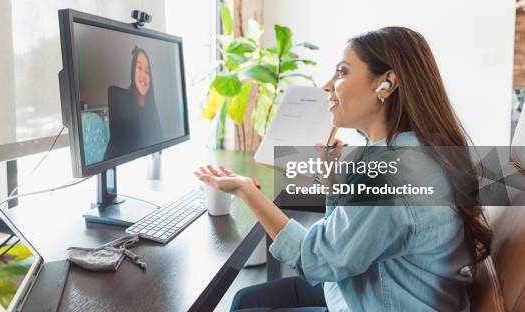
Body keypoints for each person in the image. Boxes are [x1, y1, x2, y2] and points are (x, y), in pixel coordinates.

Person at [195, 27, 492, 312]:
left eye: (342, 72)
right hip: (377, 288)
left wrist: (246, 191)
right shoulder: (412, 151)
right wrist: (333, 181)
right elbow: (350, 240)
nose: (327, 85)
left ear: (386, 84)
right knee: (247, 299)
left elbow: (317, 258)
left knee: (245, 305)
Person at [104, 46, 162, 159]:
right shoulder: (121, 100)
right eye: (139, 68)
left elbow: (159, 141)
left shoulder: (151, 107)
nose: (144, 75)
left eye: (147, 71)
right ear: (132, 72)